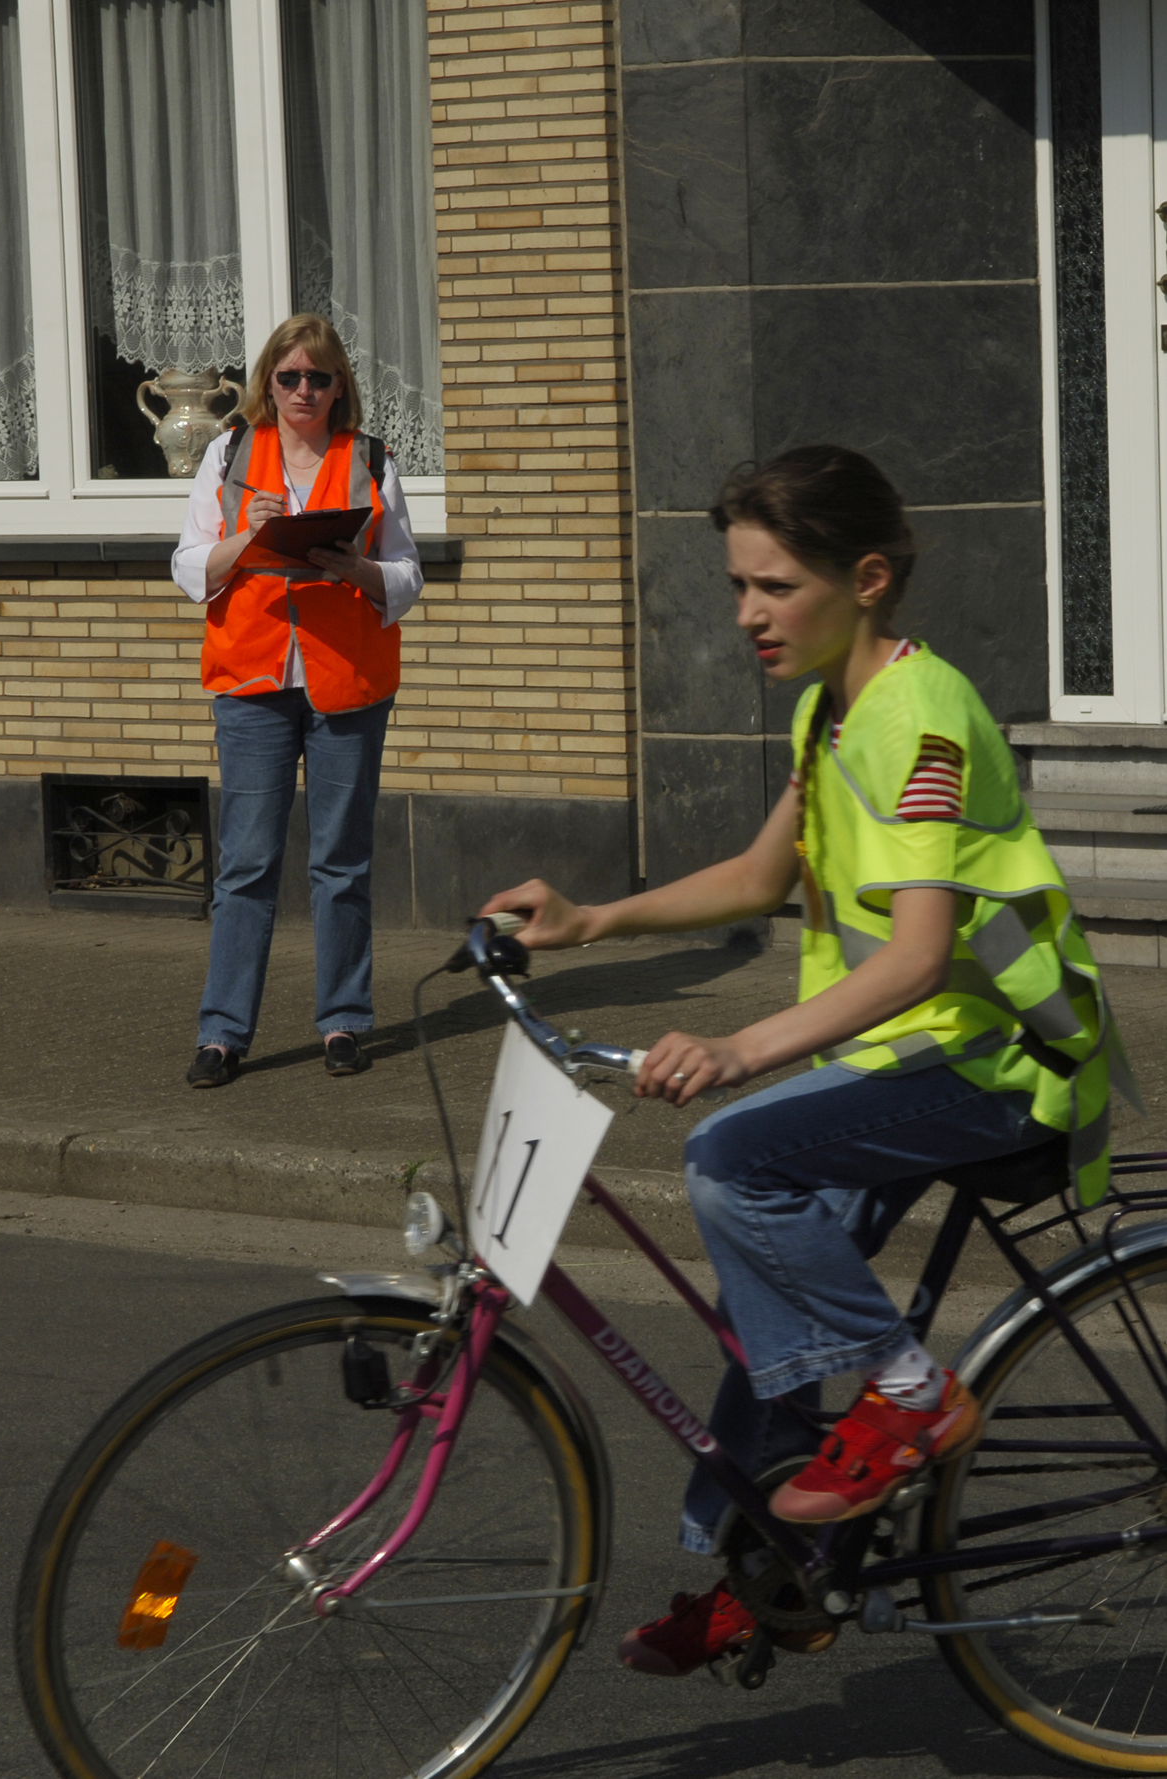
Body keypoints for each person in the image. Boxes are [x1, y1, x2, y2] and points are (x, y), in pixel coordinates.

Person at [480, 445, 1126, 1677]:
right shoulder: (828, 702)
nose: (745, 616)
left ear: (864, 578)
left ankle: (910, 1394)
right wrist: (590, 923)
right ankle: (775, 1573)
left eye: (772, 587)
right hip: (897, 1052)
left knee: (731, 1159)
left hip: (991, 1057)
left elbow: (922, 957)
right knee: (761, 1304)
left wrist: (737, 1048)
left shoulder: (919, 717)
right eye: (737, 586)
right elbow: (763, 876)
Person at [172, 314, 423, 1086]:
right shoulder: (229, 451)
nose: (304, 390)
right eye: (289, 378)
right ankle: (223, 1033)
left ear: (338, 383)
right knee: (246, 862)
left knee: (341, 861)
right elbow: (187, 567)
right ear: (267, 384)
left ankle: (344, 1020)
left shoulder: (371, 458)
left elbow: (408, 576)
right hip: (253, 682)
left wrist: (356, 570)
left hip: (346, 680)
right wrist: (244, 540)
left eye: (318, 377)